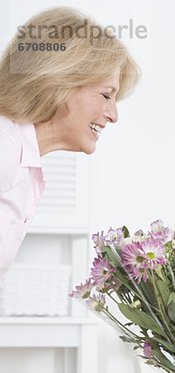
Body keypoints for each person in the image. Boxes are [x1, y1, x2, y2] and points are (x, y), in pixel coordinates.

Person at [0, 6, 139, 278]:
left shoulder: (24, 162)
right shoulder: (4, 145)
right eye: (106, 95)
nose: (113, 115)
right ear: (60, 81)